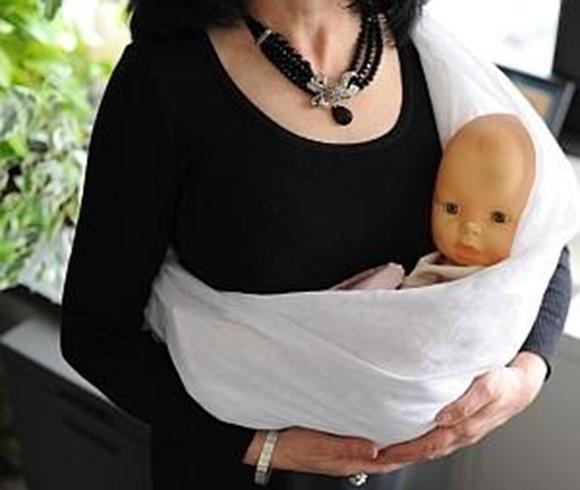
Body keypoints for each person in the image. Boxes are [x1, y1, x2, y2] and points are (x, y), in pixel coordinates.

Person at [59, 0, 572, 488]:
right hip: (233, 474)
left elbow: (540, 244)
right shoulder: (163, 79)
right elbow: (97, 334)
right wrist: (264, 447)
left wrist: (526, 373)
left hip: (387, 476)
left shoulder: (430, 59)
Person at [332, 113, 536, 290]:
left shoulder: (507, 283)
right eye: (452, 209)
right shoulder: (428, 267)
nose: (469, 228)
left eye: (498, 218)